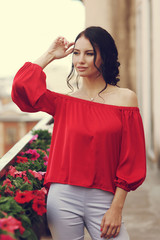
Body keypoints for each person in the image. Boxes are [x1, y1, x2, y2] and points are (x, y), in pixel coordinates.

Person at [11, 26, 146, 240]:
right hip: (62, 197)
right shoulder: (63, 102)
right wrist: (49, 55)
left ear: (106, 57)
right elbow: (21, 87)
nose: (80, 60)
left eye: (89, 53)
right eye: (76, 53)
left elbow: (131, 157)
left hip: (104, 198)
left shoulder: (125, 99)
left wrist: (116, 208)